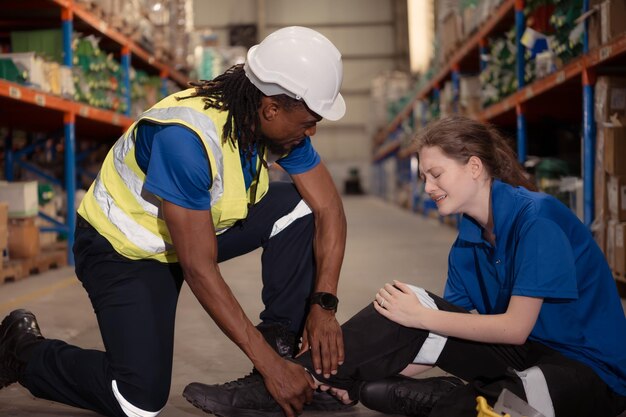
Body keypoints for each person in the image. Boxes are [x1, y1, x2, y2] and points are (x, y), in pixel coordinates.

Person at [0, 26, 350, 417]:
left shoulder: (279, 128)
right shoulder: (186, 140)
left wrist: (324, 305)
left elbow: (329, 209)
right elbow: (199, 268)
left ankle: (280, 356)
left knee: (299, 207)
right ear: (271, 107)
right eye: (309, 120)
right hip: (123, 250)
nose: (312, 130)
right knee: (136, 400)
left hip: (195, 232)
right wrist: (271, 367)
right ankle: (21, 349)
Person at [183, 115, 626, 417]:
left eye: (436, 174)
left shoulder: (538, 220)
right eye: (423, 178)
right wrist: (348, 374)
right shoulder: (468, 242)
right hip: (522, 356)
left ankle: (457, 398)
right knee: (403, 311)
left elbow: (514, 328)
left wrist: (422, 317)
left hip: (585, 370)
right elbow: (434, 333)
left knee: (511, 406)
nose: (428, 187)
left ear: (474, 167)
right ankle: (302, 380)